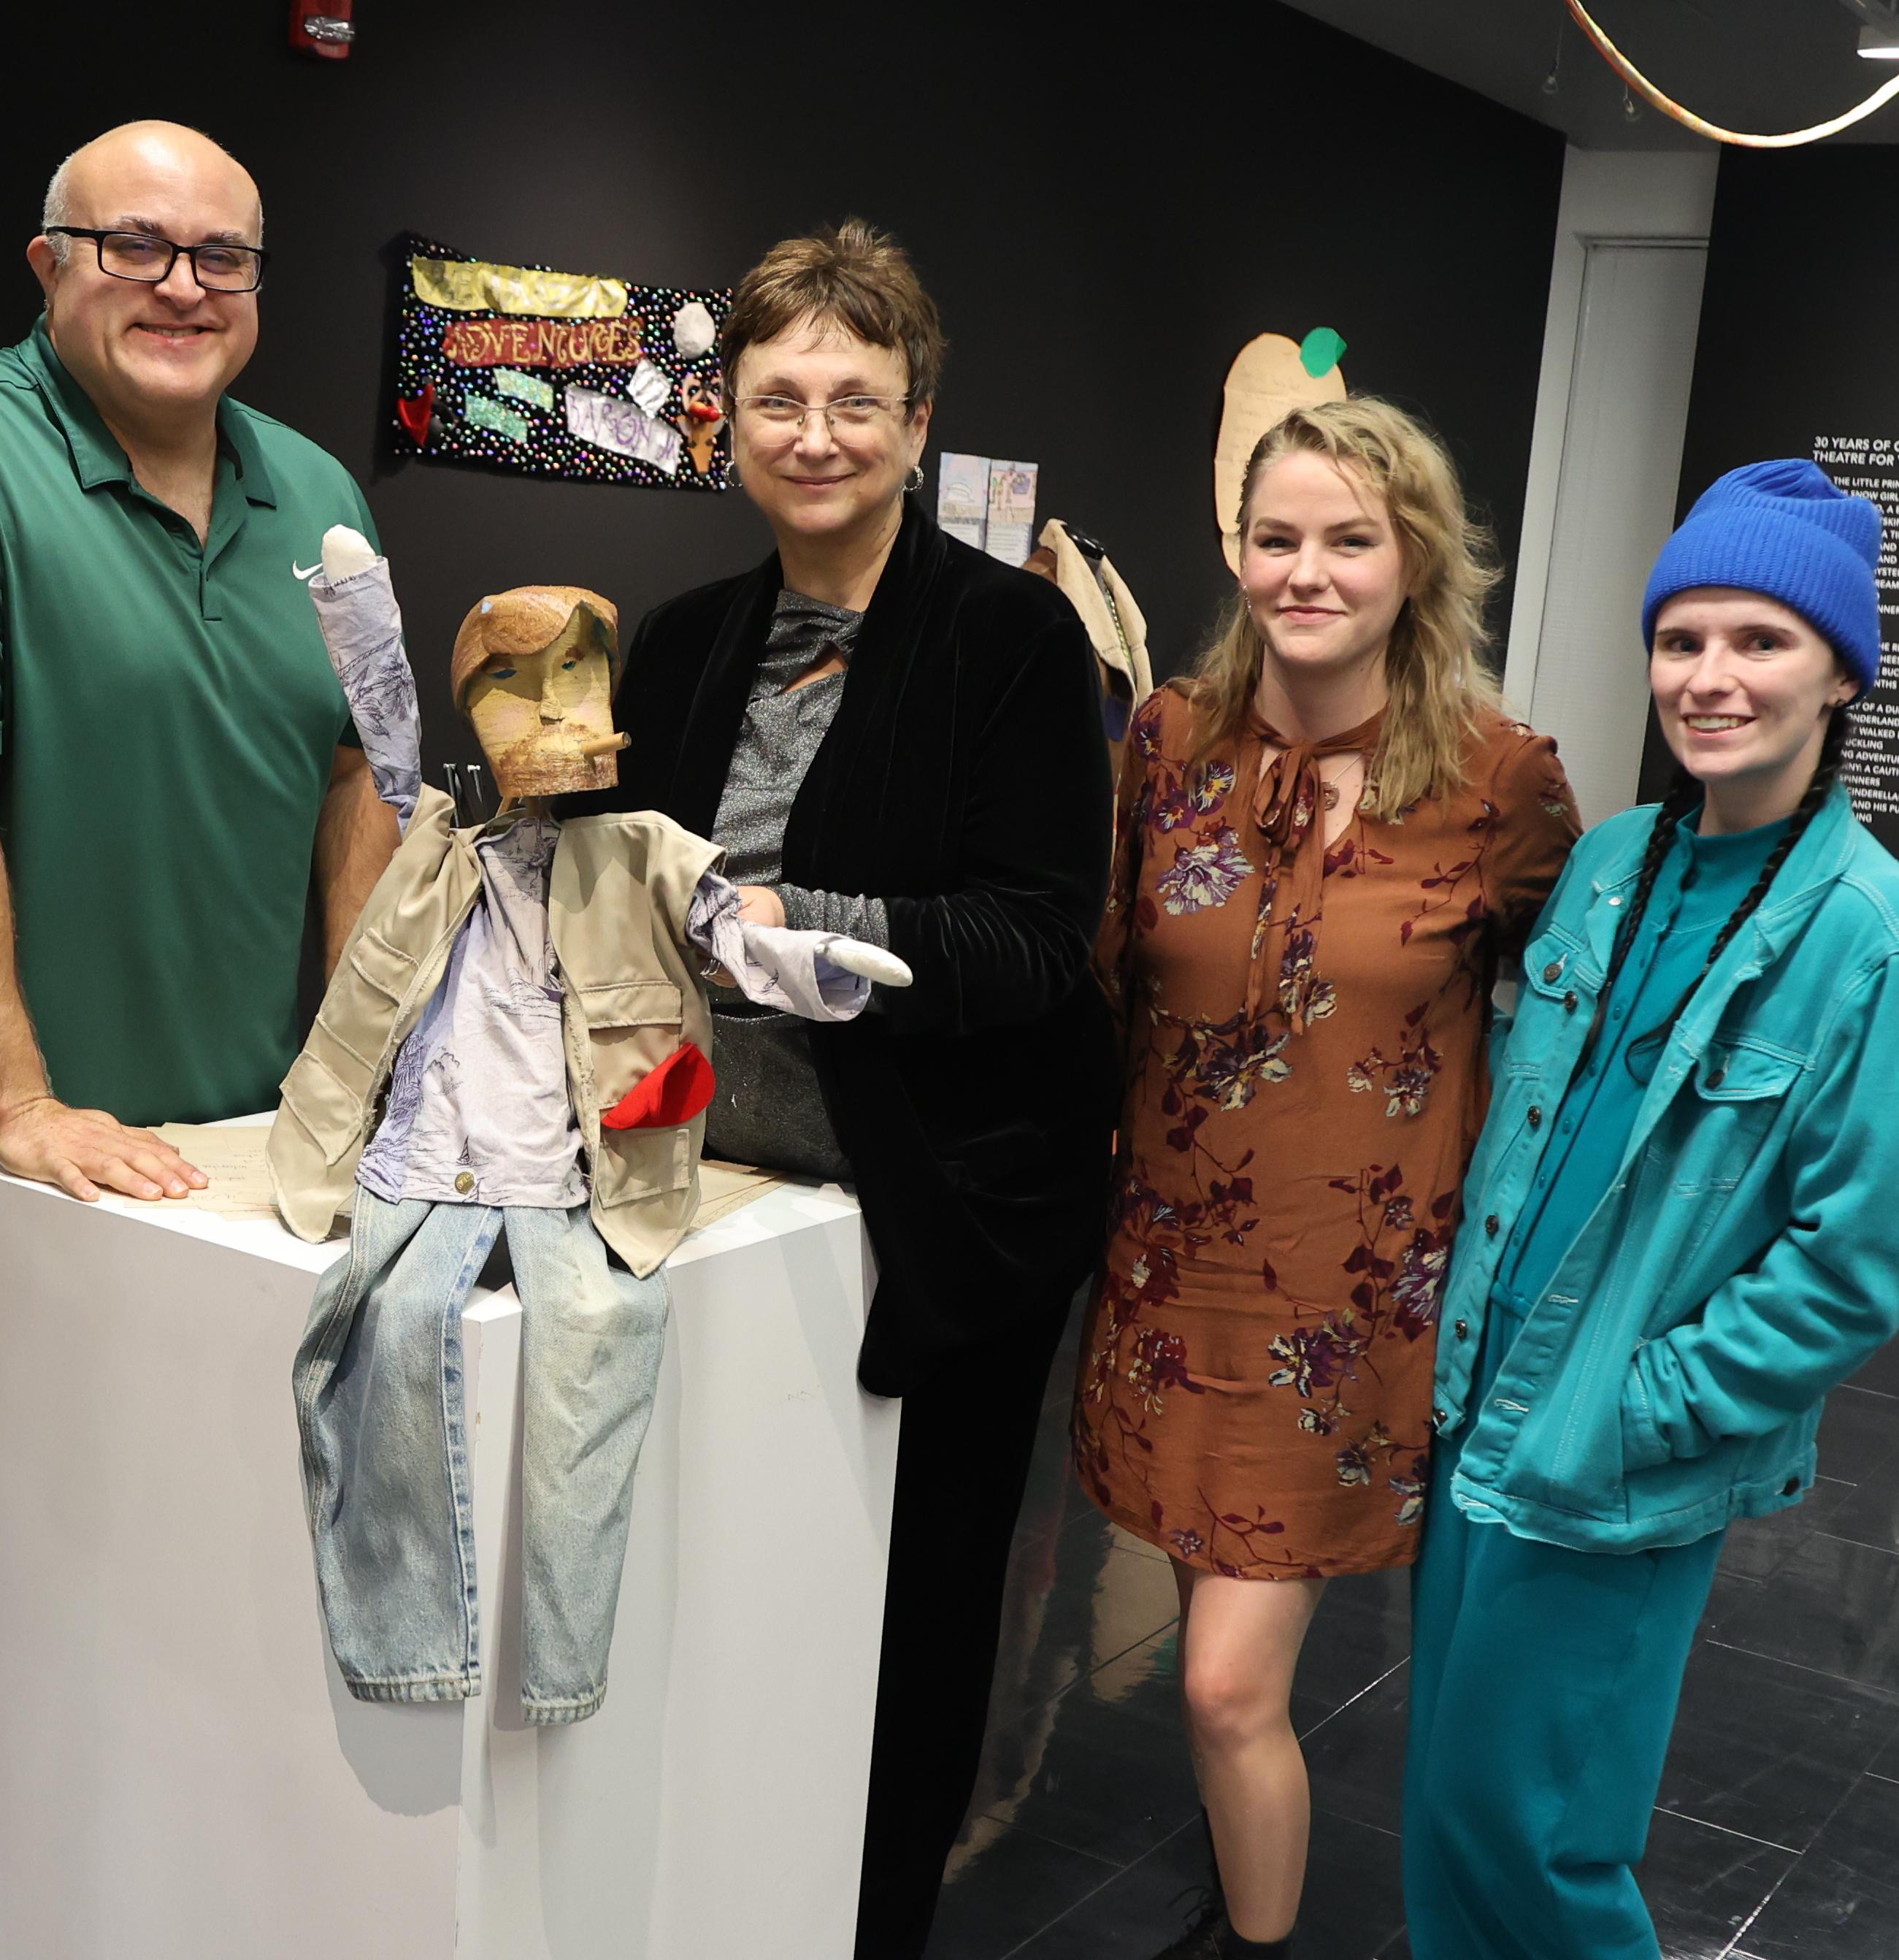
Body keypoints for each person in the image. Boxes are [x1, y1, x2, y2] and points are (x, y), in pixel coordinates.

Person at [0, 121, 393, 1959]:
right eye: (133, 244)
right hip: (34, 1186)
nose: (185, 283)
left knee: (224, 1540)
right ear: (46, 260)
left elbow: (364, 782)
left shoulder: (319, 497)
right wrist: (21, 1107)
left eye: (225, 255)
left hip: (253, 1171)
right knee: (8, 1564)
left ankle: (179, 1862)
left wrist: (360, 1080)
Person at [572, 218, 1118, 1960]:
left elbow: (1036, 941)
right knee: (724, 1573)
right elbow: (618, 889)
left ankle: (866, 1920)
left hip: (939, 1203)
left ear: (917, 418)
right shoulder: (674, 642)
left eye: (856, 400)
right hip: (711, 1186)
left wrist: (799, 921)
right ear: (723, 416)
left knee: (911, 1610)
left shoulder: (1012, 641)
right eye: (778, 395)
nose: (815, 433)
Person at [1399, 460, 1899, 1957]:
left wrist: (1652, 1405)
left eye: (1760, 641)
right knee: (1450, 1803)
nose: (1709, 677)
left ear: (1839, 671)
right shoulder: (1607, 865)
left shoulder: (1882, 942)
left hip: (1615, 1438)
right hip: (1480, 1401)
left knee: (1544, 1840)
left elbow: (1848, 1270)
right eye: (1682, 638)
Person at [1077, 399, 1581, 1960]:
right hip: (1169, 1287)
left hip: (1354, 1313)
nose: (1309, 572)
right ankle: (1247, 1897)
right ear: (1236, 551)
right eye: (1277, 537)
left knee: (1227, 1681)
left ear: (1414, 558)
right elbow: (1107, 976)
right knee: (1205, 1657)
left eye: (1349, 539)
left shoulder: (1499, 782)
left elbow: (1578, 1034)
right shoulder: (1165, 742)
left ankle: (1260, 1941)